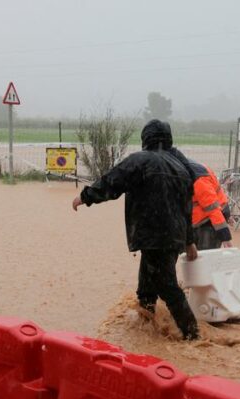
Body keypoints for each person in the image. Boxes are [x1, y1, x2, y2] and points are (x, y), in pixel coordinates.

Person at [71, 119, 199, 340]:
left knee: (166, 285)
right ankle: (147, 327)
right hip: (173, 236)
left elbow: (112, 182)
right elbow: (187, 208)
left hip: (153, 234)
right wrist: (189, 240)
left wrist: (85, 197)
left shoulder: (140, 161)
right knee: (148, 285)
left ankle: (193, 336)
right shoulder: (182, 167)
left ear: (145, 139)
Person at [188, 160, 232, 250]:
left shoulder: (198, 179)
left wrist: (224, 235)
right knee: (195, 257)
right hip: (197, 220)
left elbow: (212, 208)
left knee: (206, 256)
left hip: (209, 220)